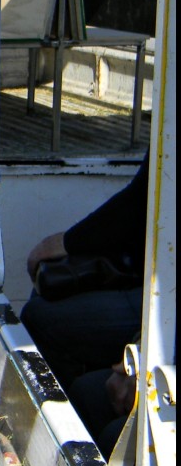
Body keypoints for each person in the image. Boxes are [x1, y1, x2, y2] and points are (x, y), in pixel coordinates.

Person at [19, 151, 150, 390]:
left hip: (159, 298)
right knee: (49, 285)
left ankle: (65, 405)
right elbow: (142, 196)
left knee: (39, 319)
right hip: (146, 273)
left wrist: (140, 354)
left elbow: (138, 202)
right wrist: (70, 242)